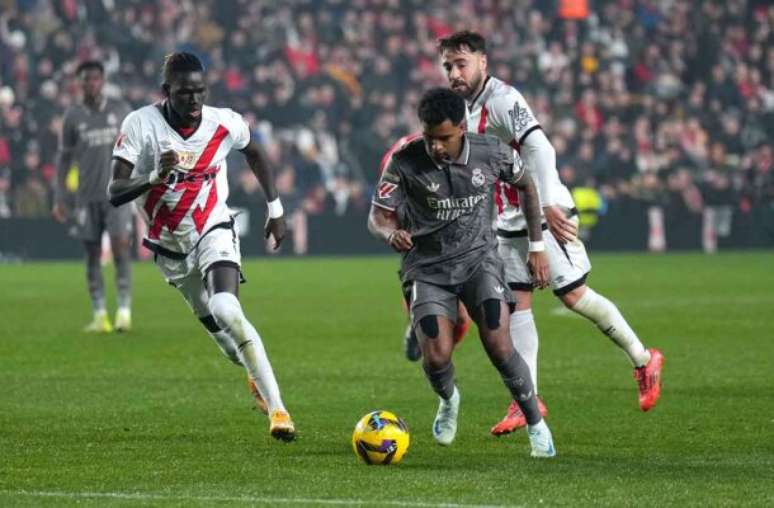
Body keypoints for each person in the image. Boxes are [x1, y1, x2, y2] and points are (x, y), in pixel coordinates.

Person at [438, 31, 665, 435]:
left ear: (483, 63)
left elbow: (541, 148)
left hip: (545, 212)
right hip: (508, 221)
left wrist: (544, 211)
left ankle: (644, 359)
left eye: (461, 64)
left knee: (574, 296)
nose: (454, 73)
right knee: (515, 308)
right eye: (448, 66)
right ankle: (527, 399)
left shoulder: (504, 100)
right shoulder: (461, 109)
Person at [107, 52, 295, 441]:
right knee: (230, 348)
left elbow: (256, 152)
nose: (194, 100)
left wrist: (275, 209)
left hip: (214, 229)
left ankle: (279, 411)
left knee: (227, 306)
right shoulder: (140, 125)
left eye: (199, 91)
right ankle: (252, 375)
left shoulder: (222, 122)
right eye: (184, 93)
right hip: (170, 249)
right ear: (166, 91)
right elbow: (114, 191)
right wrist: (154, 175)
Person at [368, 87, 555, 457]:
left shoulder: (491, 152)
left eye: (444, 138)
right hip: (427, 267)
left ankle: (536, 424)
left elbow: (527, 186)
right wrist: (390, 232)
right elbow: (377, 214)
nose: (436, 146)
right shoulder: (405, 160)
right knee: (436, 356)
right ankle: (449, 399)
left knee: (500, 345)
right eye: (429, 137)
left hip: (479, 261)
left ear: (462, 129)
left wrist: (537, 246)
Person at [53, 60, 134, 333]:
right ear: (79, 83)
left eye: (96, 79)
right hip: (86, 197)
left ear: (103, 81)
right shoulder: (73, 116)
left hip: (118, 194)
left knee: (121, 247)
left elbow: (139, 146)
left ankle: (124, 311)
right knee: (92, 254)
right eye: (86, 80)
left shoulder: (120, 110)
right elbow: (64, 159)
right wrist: (60, 195)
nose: (91, 84)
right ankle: (100, 314)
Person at [379, 132, 472, 361]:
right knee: (427, 301)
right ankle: (421, 331)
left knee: (460, 317)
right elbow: (387, 204)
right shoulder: (400, 156)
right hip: (421, 237)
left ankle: (441, 356)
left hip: (458, 236)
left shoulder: (466, 150)